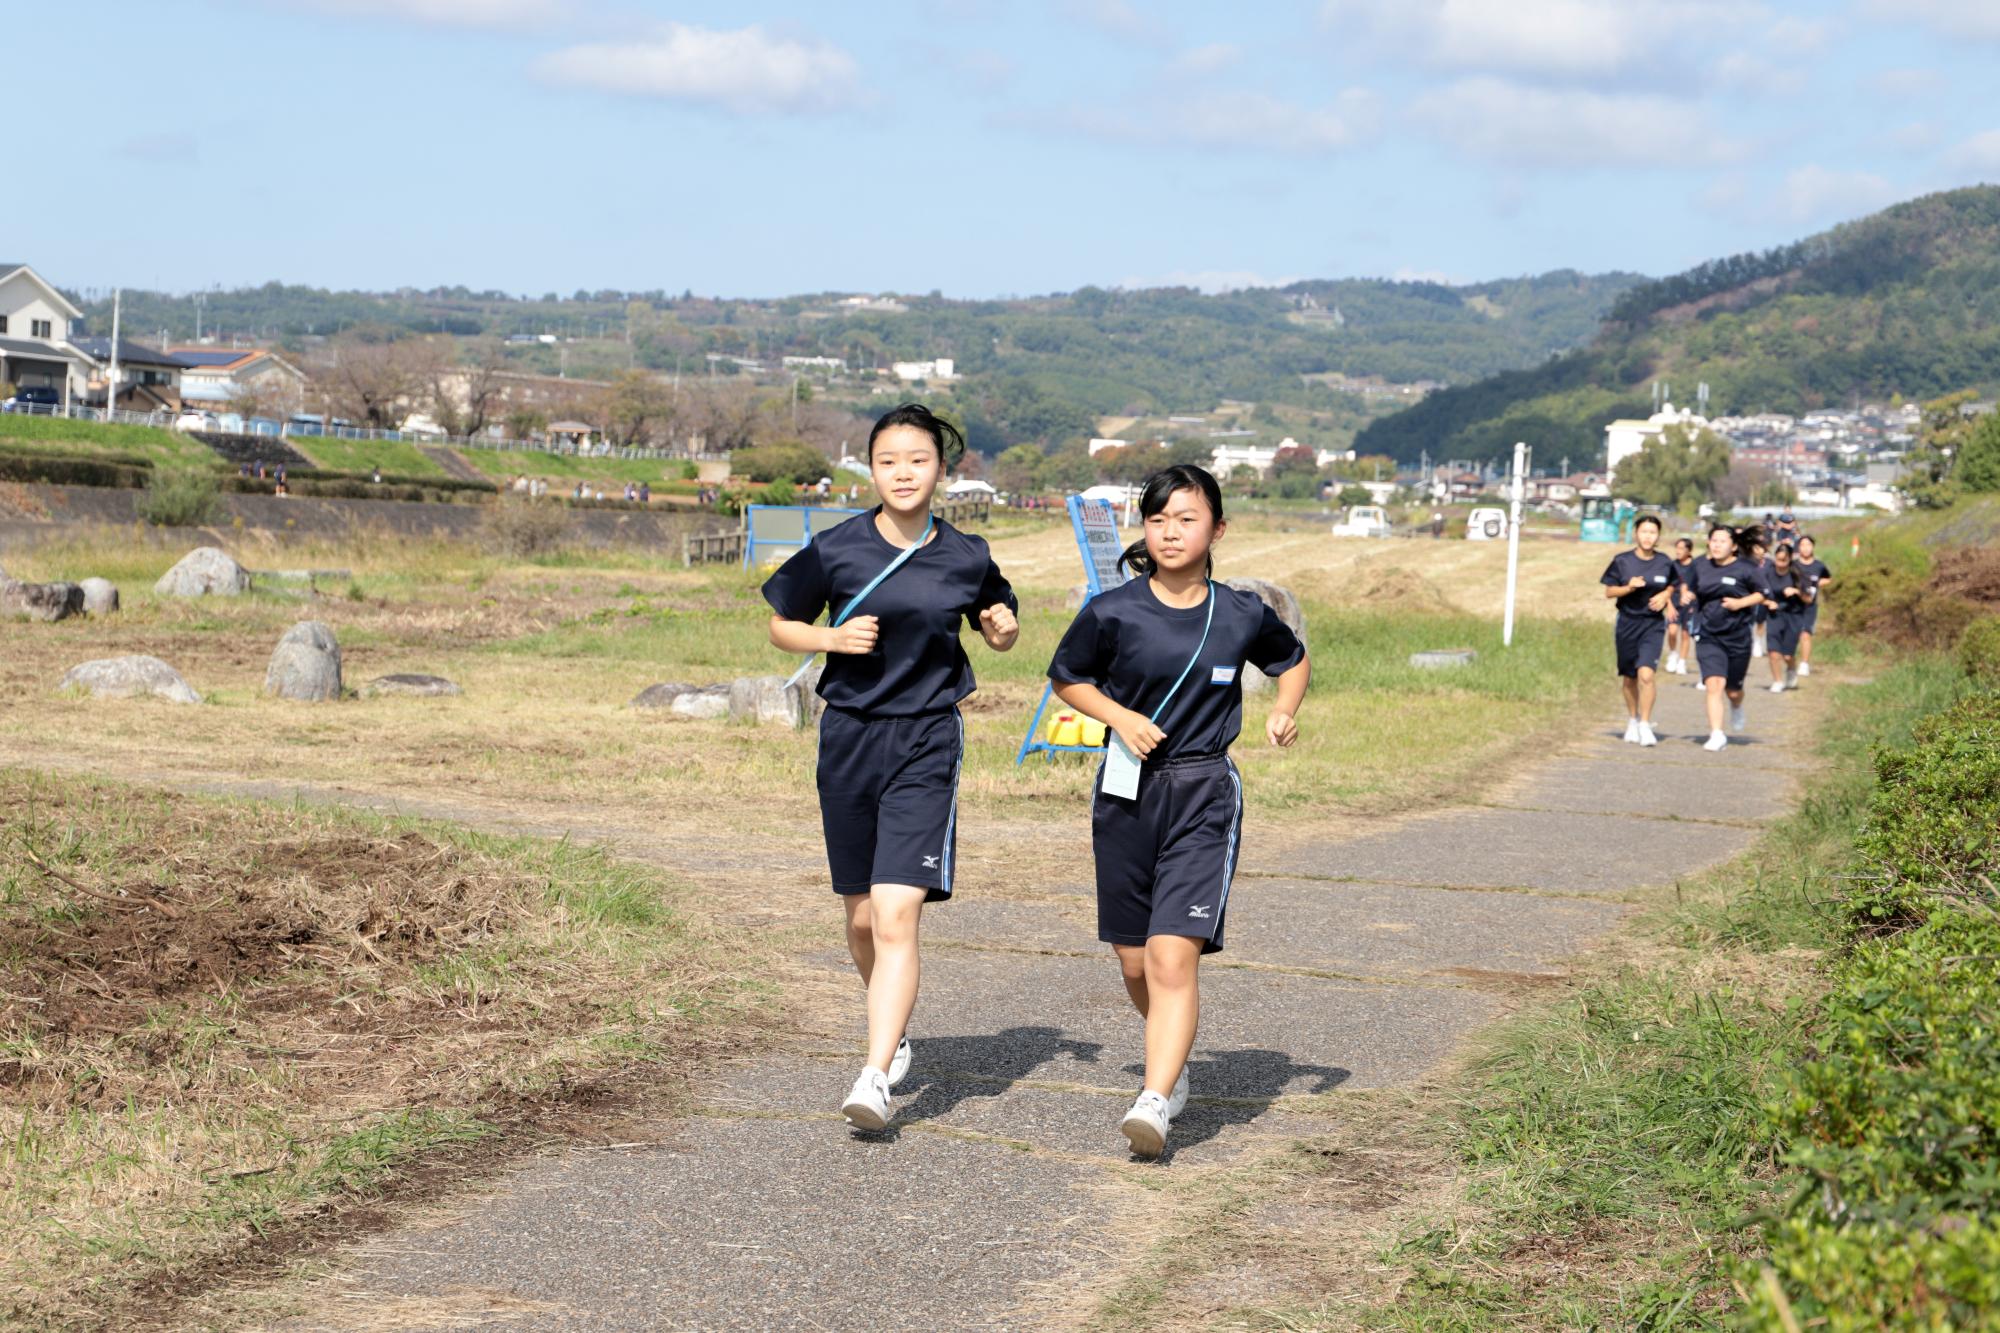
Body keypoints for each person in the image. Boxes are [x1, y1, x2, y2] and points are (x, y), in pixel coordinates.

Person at [762, 403, 1019, 1133]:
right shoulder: (838, 547)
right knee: (862, 916)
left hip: (927, 740)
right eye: (888, 460)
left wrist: (1003, 628)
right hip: (847, 737)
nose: (903, 472)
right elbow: (781, 622)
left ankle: (874, 1075)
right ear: (870, 470)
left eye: (918, 459)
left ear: (943, 468)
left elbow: (999, 623)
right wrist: (830, 638)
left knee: (898, 909)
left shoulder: (966, 554)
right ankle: (895, 1025)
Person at [1047, 464, 1310, 1157]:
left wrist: (1284, 709)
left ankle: (1156, 1098)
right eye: (1158, 518)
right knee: (1134, 962)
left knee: (1171, 957)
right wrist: (1119, 716)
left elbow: (1293, 660)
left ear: (1217, 528)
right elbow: (1066, 676)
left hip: (1203, 792)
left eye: (1186, 518)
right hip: (1126, 790)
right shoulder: (1112, 610)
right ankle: (1175, 1053)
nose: (1170, 530)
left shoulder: (1242, 612)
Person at [1686, 523, 1769, 751]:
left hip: (1738, 636)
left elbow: (1762, 594)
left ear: (1733, 547)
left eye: (1722, 541)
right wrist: (1687, 596)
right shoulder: (1700, 565)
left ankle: (1737, 705)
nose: (1717, 545)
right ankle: (1717, 733)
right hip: (1708, 633)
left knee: (1732, 690)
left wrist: (1740, 603)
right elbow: (1690, 587)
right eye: (1713, 540)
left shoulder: (1747, 568)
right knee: (1714, 684)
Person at [1599, 513, 1679, 746]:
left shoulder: (1664, 561)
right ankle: (1632, 719)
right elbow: (1609, 592)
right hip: (1627, 622)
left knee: (1647, 675)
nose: (1648, 536)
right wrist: (1629, 587)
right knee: (1629, 678)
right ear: (1636, 534)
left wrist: (1665, 595)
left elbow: (1673, 585)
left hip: (1652, 624)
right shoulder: (1622, 561)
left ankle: (1645, 723)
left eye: (1652, 533)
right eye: (1644, 531)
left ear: (1658, 536)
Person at [1763, 541, 1813, 692]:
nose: (1780, 563)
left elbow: (1809, 599)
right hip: (1774, 615)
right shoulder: (1767, 573)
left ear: (1790, 559)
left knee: (1787, 655)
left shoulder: (1798, 574)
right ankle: (1777, 681)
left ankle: (1791, 670)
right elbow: (1758, 594)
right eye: (1778, 559)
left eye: (1784, 560)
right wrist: (1767, 602)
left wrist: (1796, 591)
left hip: (1793, 616)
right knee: (1773, 652)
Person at [1794, 534, 1832, 677]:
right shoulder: (1794, 565)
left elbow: (1829, 578)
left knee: (1806, 634)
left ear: (1813, 547)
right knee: (1793, 635)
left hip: (1810, 606)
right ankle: (1791, 661)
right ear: (1798, 547)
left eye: (1808, 545)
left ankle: (1804, 664)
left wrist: (1817, 584)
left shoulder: (1819, 565)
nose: (1805, 548)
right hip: (1794, 606)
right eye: (1802, 545)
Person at [1665, 536, 1697, 675]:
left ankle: (1682, 662)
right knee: (1672, 631)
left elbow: (1699, 586)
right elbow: (1665, 587)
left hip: (1690, 604)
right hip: (1674, 600)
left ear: (1689, 551)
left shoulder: (1696, 566)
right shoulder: (1672, 565)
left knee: (1685, 634)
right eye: (1676, 548)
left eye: (1681, 548)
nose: (1678, 551)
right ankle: (1673, 654)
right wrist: (1669, 604)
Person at [1748, 534, 1772, 659]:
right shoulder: (1748, 563)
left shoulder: (1770, 563)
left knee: (1761, 621)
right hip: (1750, 596)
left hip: (1764, 597)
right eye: (1756, 547)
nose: (1758, 550)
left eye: (1761, 548)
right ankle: (1749, 641)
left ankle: (1758, 641)